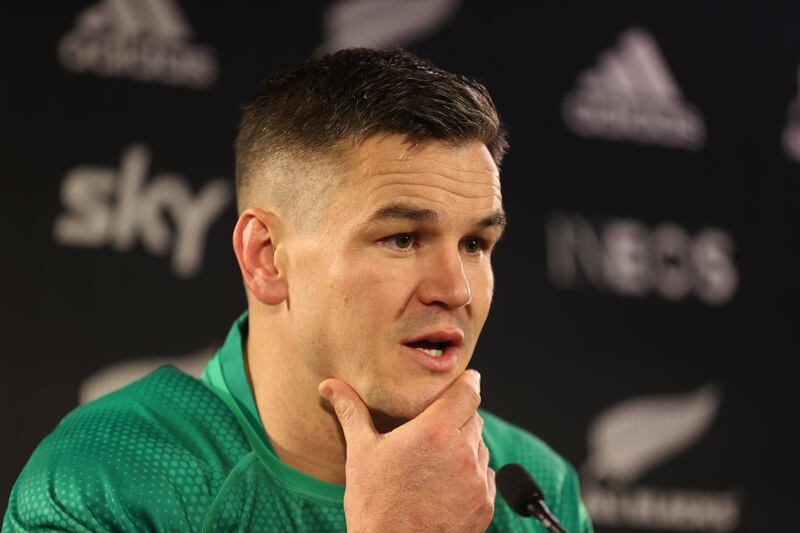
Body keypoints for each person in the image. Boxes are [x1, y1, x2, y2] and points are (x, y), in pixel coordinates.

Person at [4, 48, 593, 532]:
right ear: (266, 258)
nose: (456, 290)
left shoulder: (537, 494)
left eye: (474, 244)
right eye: (402, 238)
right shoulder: (111, 477)